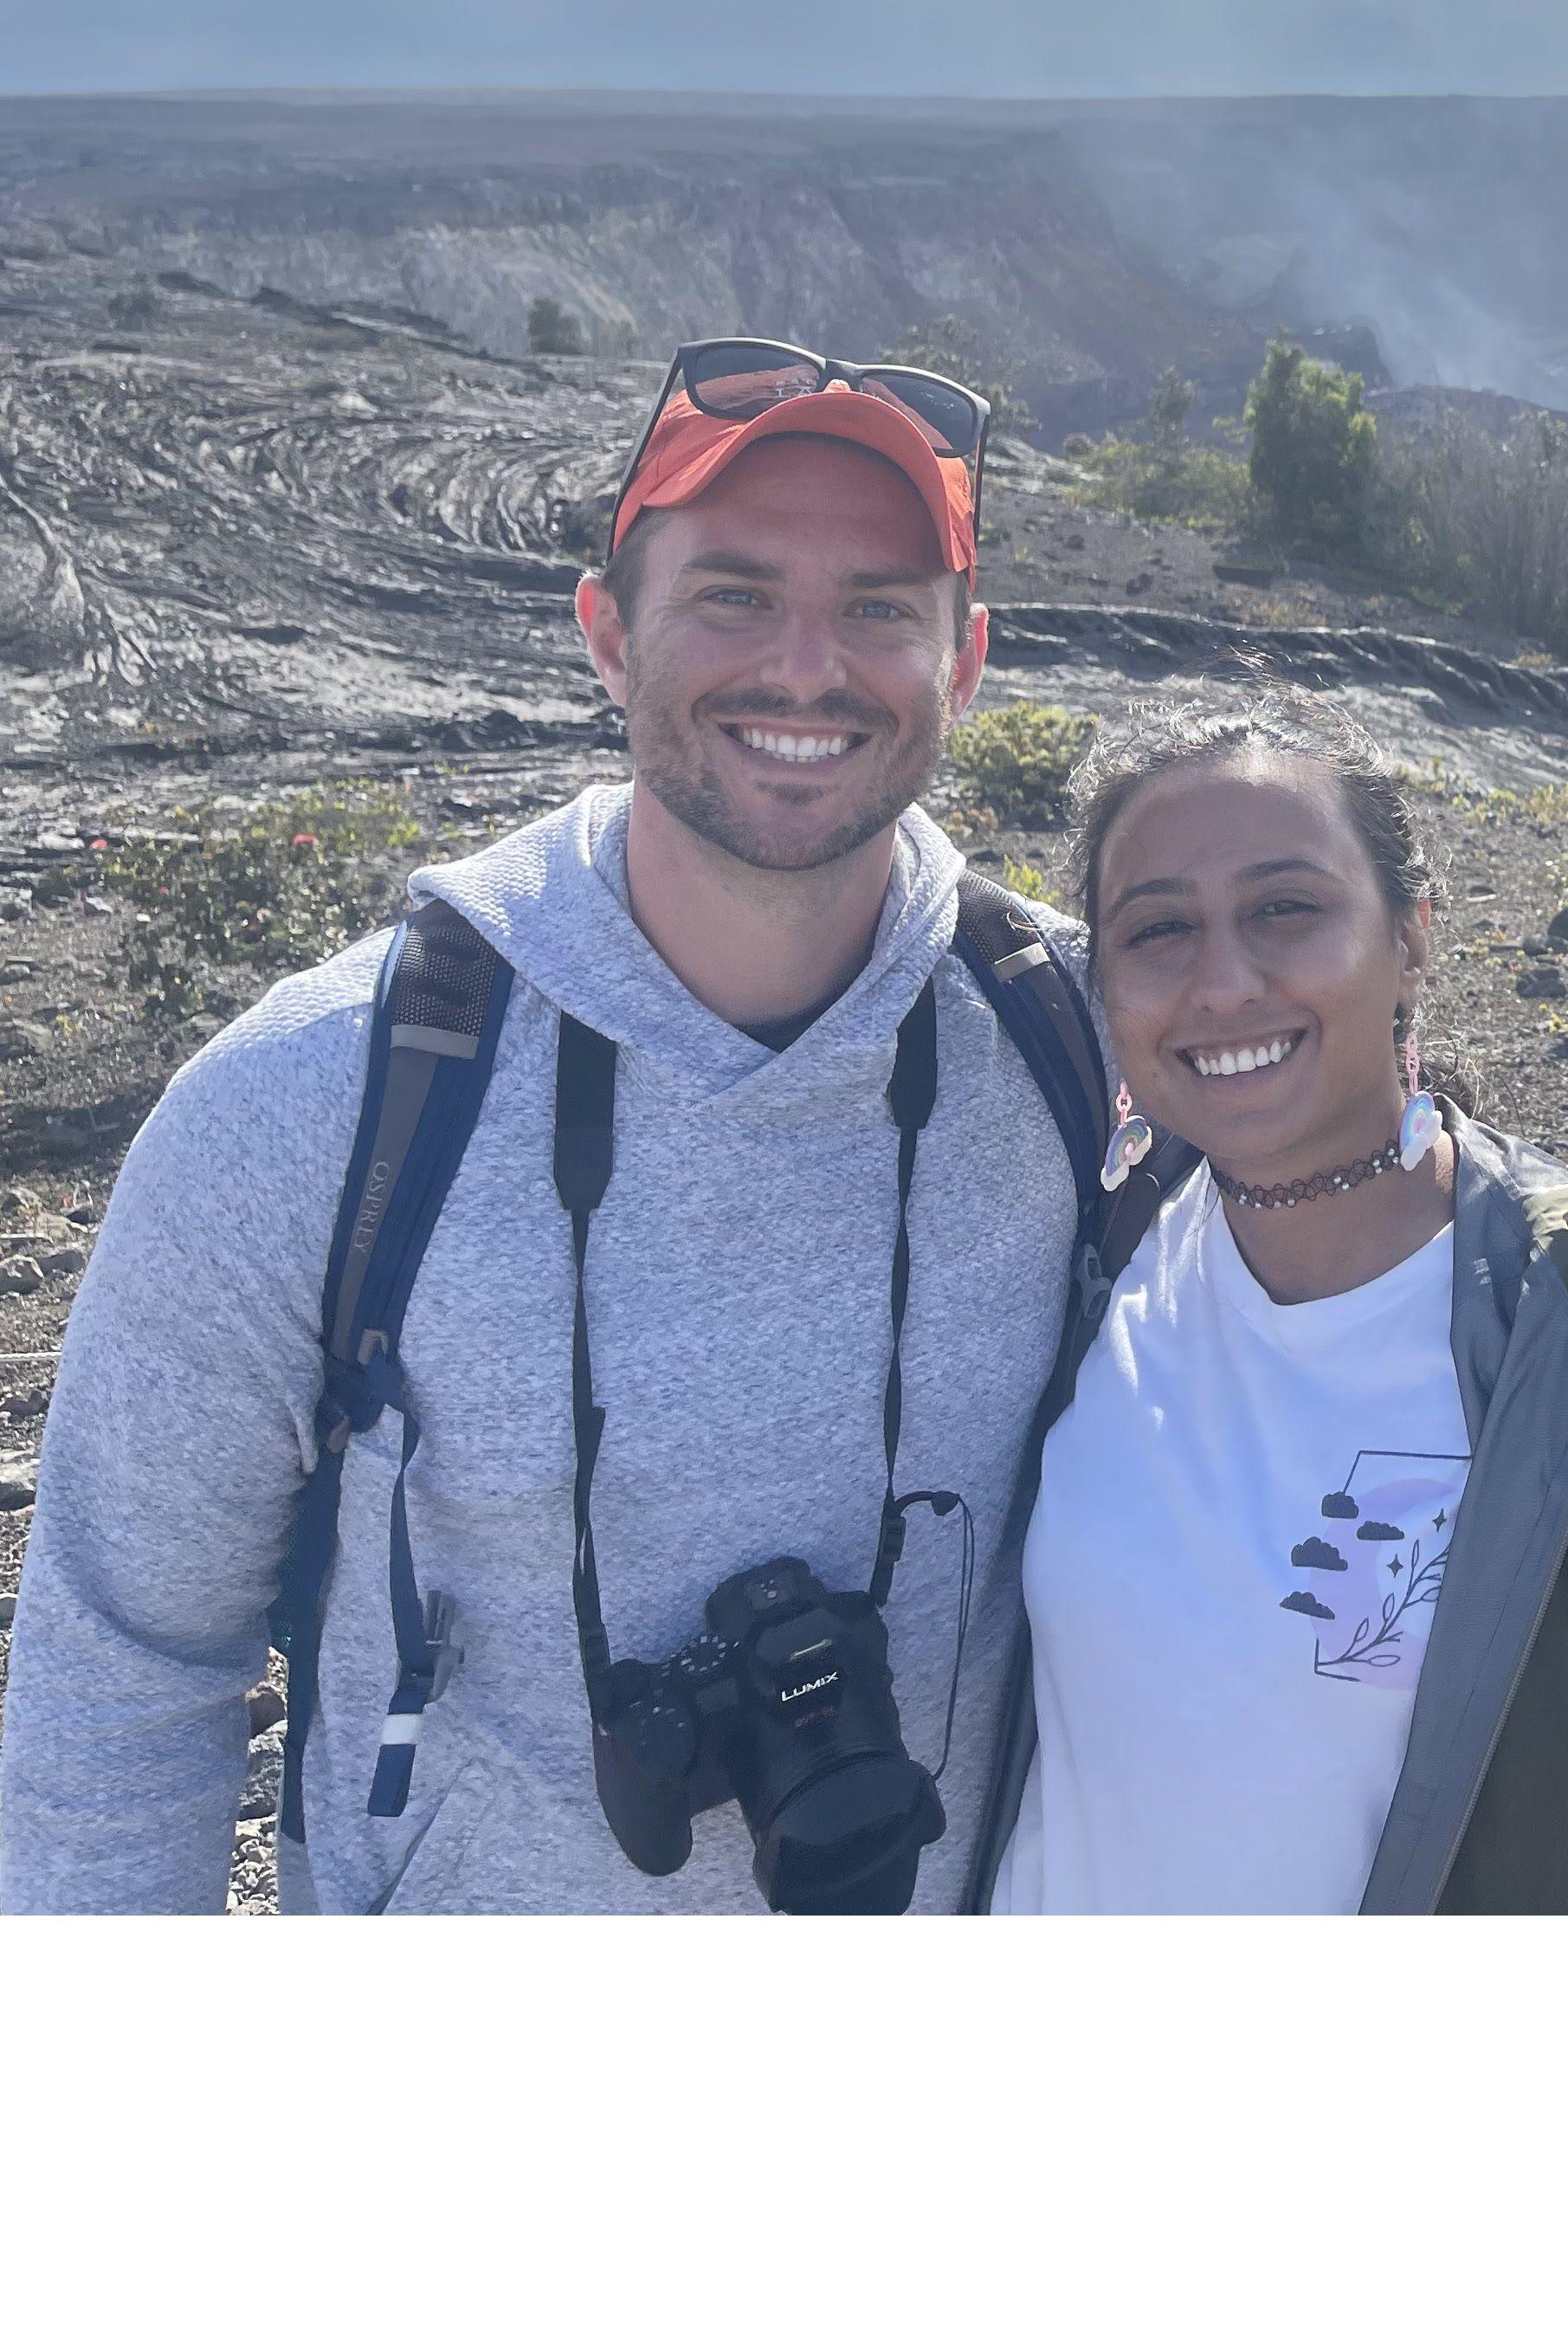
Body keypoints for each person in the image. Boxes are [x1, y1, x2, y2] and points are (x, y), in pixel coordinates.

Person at [0, 339, 1100, 1914]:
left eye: (878, 606)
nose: (807, 665)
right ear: (606, 635)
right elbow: (125, 1670)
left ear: (966, 661)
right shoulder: (317, 1104)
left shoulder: (1077, 1047)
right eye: (730, 593)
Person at [976, 701, 1568, 1914]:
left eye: (1287, 908)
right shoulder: (1101, 1255)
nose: (1224, 982)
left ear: (1413, 937)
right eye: (1158, 929)